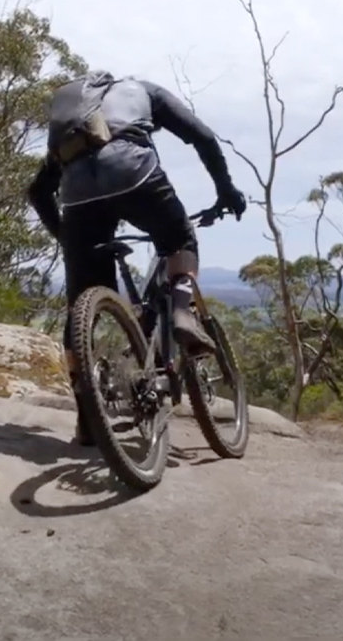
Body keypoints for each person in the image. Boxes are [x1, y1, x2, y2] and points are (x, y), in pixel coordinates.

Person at [25, 69, 248, 446]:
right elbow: (204, 137)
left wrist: (67, 240)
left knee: (80, 304)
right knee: (180, 239)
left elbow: (37, 192)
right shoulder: (146, 92)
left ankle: (87, 416)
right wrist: (226, 190)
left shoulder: (76, 128)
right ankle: (181, 311)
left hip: (77, 196)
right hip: (135, 175)